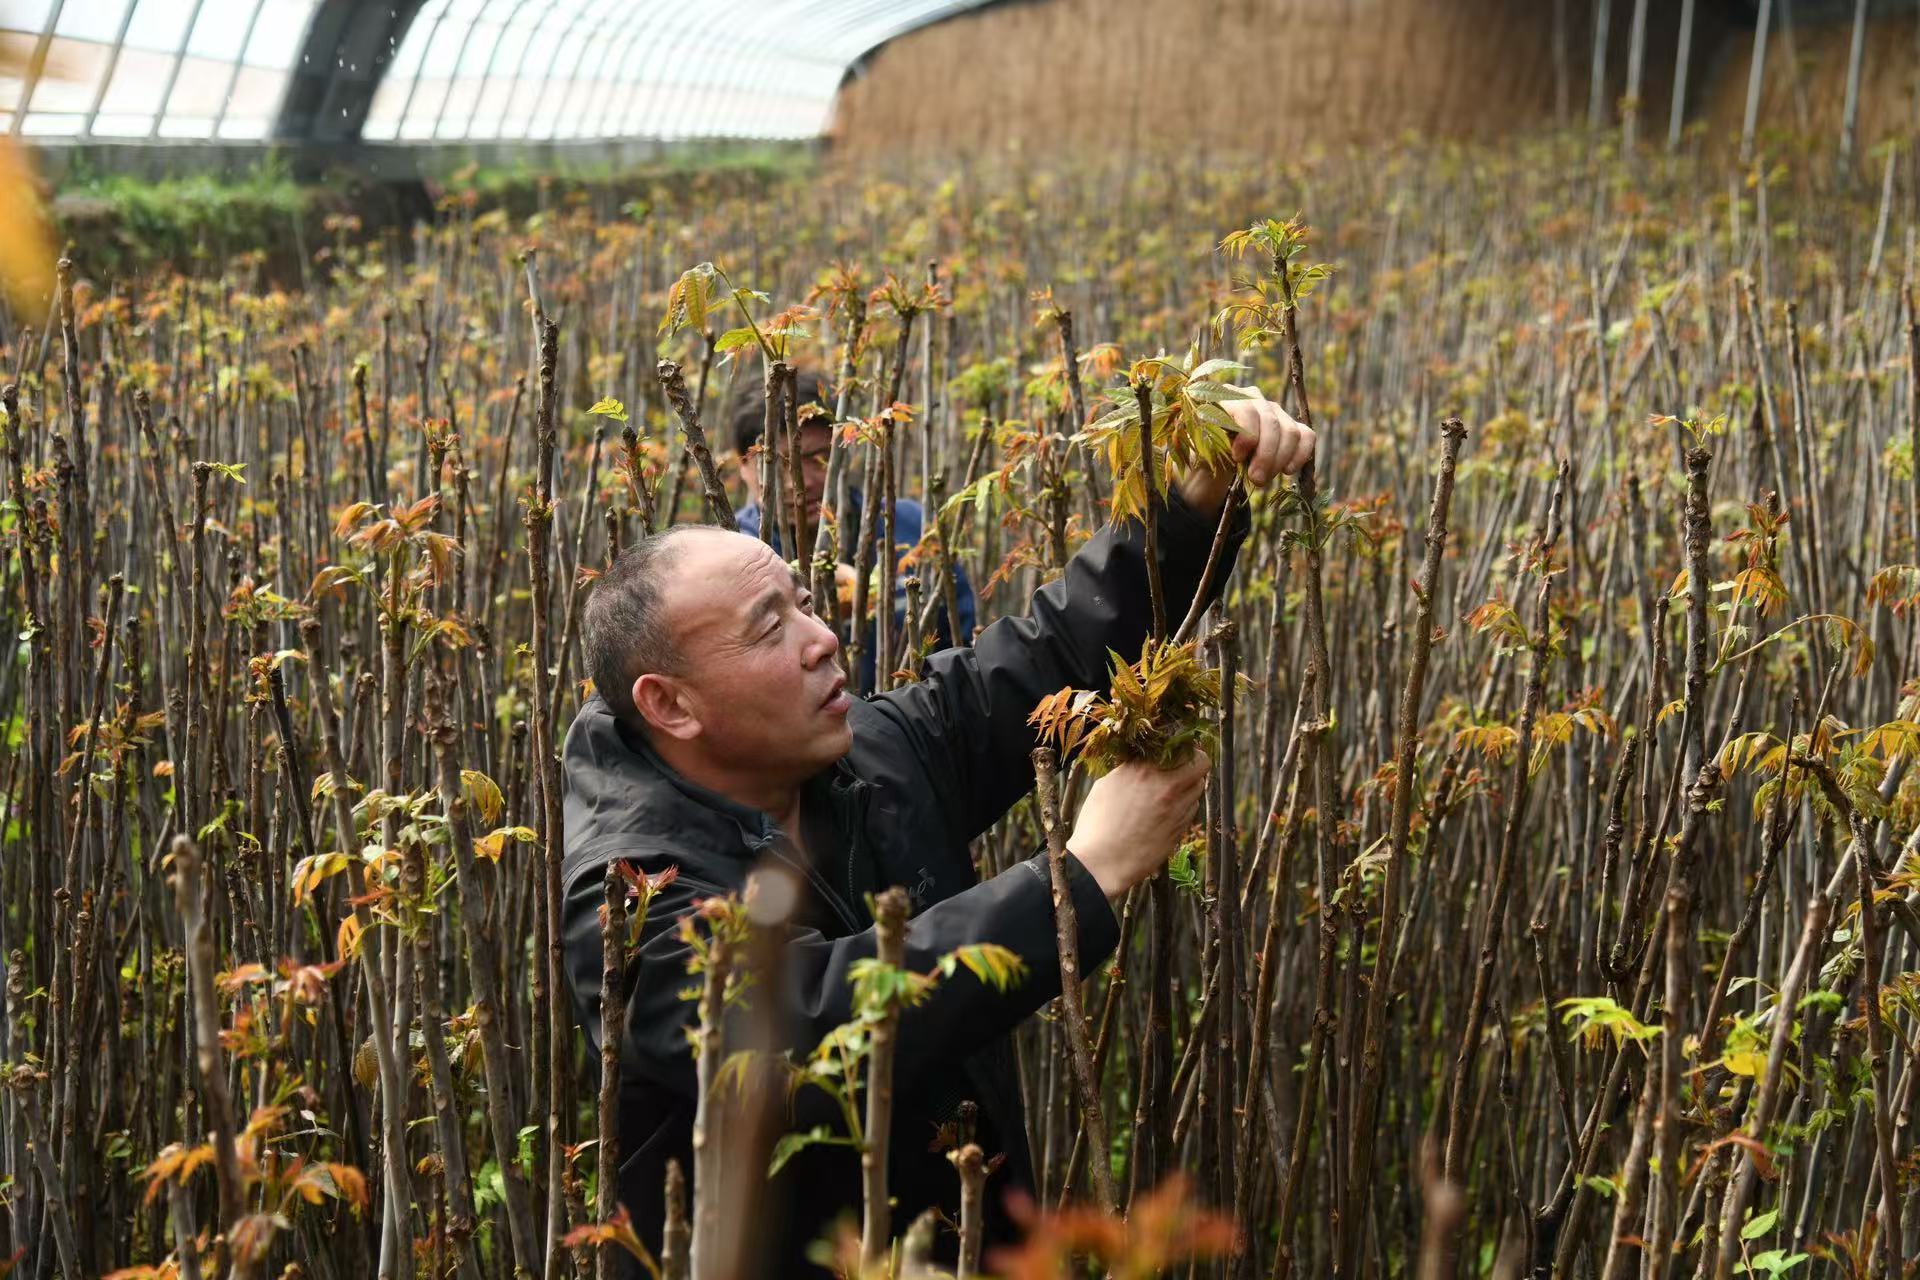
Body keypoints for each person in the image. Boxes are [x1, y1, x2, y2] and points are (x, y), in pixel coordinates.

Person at [560, 388, 1315, 1274]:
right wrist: (1083, 876)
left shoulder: (868, 757)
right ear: (670, 704)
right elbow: (796, 1027)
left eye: (804, 603)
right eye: (772, 629)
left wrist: (1193, 508)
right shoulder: (628, 894)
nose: (825, 638)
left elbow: (1044, 656)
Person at [728, 369, 976, 689]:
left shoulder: (911, 529)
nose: (797, 482)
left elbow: (962, 644)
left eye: (816, 459)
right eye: (776, 464)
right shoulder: (730, 554)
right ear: (743, 467)